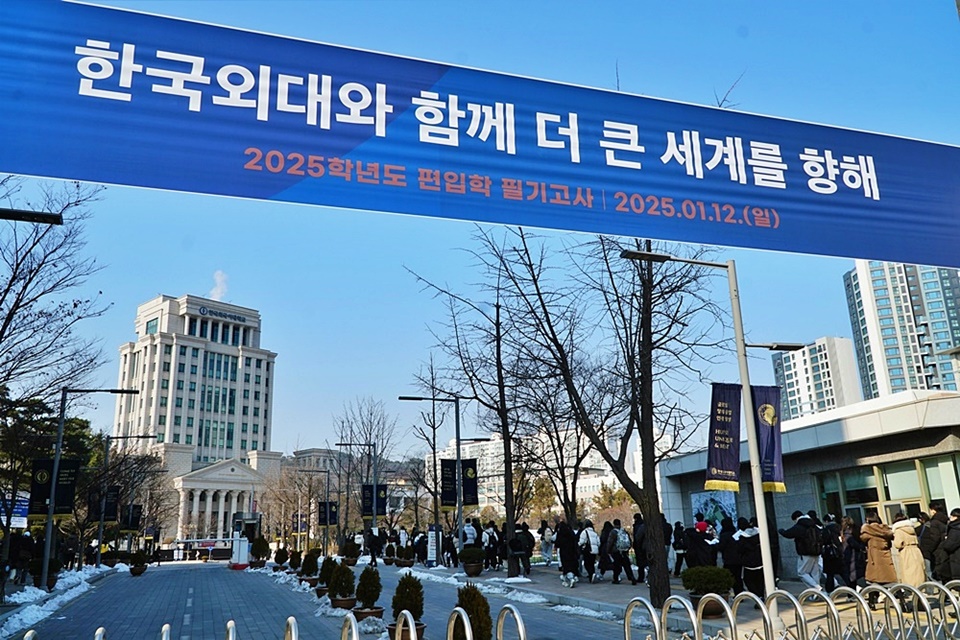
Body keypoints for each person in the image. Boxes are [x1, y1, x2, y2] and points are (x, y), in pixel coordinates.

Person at [778, 510, 822, 590]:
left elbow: (788, 534)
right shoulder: (813, 524)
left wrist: (781, 531)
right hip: (816, 551)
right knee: (815, 573)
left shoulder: (799, 525)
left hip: (805, 552)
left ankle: (816, 587)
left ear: (796, 518)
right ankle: (817, 593)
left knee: (802, 573)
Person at [860, 512, 896, 610]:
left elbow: (863, 538)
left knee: (872, 581)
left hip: (874, 559)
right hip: (885, 558)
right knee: (892, 581)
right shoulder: (885, 530)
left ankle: (871, 603)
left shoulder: (868, 531)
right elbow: (889, 544)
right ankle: (902, 602)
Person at [891, 513, 924, 587]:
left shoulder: (899, 530)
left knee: (909, 573)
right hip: (916, 550)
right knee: (918, 572)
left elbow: (897, 544)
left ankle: (912, 591)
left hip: (906, 552)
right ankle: (920, 589)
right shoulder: (912, 529)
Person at [736, 517, 764, 599]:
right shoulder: (758, 532)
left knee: (748, 580)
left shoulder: (742, 537)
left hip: (749, 562)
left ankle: (757, 596)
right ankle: (761, 595)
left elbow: (740, 549)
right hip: (760, 560)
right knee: (760, 580)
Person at [607, 518, 638, 585]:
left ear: (614, 524)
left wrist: (608, 550)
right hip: (624, 551)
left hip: (616, 551)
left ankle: (616, 579)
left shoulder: (613, 532)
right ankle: (632, 577)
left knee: (616, 565)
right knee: (627, 565)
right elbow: (629, 540)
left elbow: (610, 542)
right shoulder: (623, 531)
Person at [820, 514, 846, 592]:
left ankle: (829, 591)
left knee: (830, 574)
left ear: (827, 521)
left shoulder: (826, 530)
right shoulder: (840, 528)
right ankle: (853, 587)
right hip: (840, 551)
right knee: (843, 572)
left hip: (830, 554)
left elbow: (824, 540)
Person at [717, 517, 743, 593]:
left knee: (728, 576)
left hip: (728, 559)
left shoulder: (724, 535)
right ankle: (739, 592)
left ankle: (727, 591)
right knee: (738, 577)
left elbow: (721, 547)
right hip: (738, 559)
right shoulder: (736, 533)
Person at [555, 519, 579, 588]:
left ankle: (570, 579)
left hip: (564, 552)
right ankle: (573, 577)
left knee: (566, 566)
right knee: (572, 565)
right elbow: (575, 541)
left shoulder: (560, 533)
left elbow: (557, 543)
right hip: (572, 552)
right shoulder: (571, 533)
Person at [938, 508, 960, 582]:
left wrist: (945, 540)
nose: (950, 518)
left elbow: (949, 545)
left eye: (952, 516)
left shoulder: (955, 529)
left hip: (956, 558)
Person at [632, 513, 647, 583]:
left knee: (640, 563)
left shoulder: (637, 526)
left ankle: (641, 577)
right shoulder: (645, 525)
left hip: (639, 547)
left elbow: (637, 537)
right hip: (646, 546)